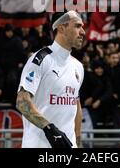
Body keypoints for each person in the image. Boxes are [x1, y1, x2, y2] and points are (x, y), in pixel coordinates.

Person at [16, 10, 85, 148]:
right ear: (62, 28)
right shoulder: (41, 59)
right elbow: (22, 102)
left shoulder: (78, 66)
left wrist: (77, 143)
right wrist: (50, 129)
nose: (83, 31)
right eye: (77, 26)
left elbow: (75, 106)